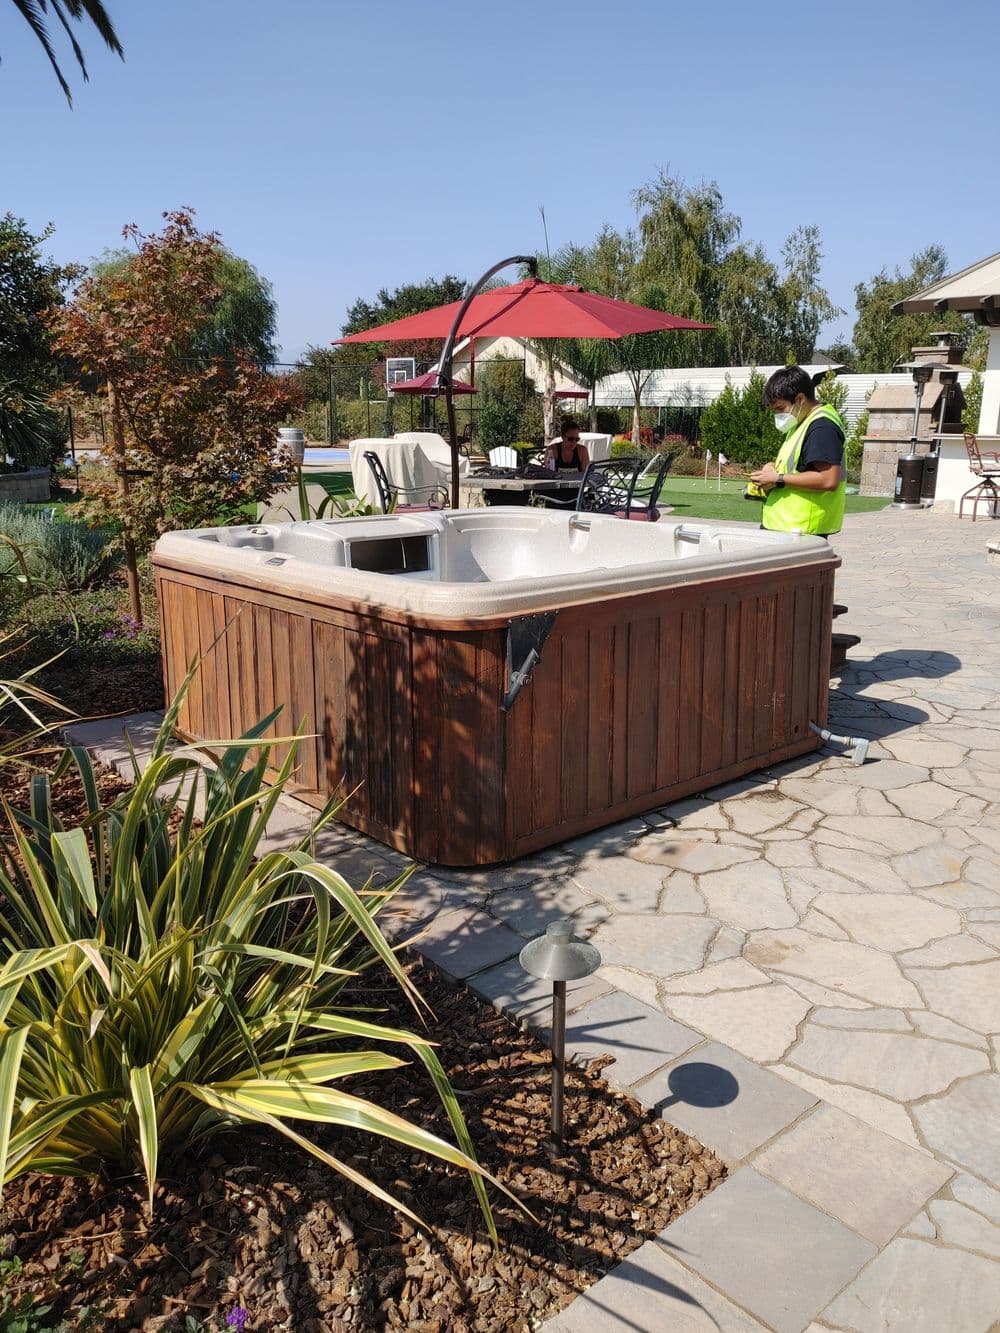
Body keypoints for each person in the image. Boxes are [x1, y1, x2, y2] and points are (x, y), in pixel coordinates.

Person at [750, 366, 846, 537]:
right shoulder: (802, 421)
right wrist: (771, 467)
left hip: (800, 530)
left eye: (780, 408)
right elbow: (796, 465)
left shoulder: (821, 427)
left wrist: (778, 479)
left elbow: (828, 479)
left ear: (800, 399)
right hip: (787, 527)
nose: (777, 415)